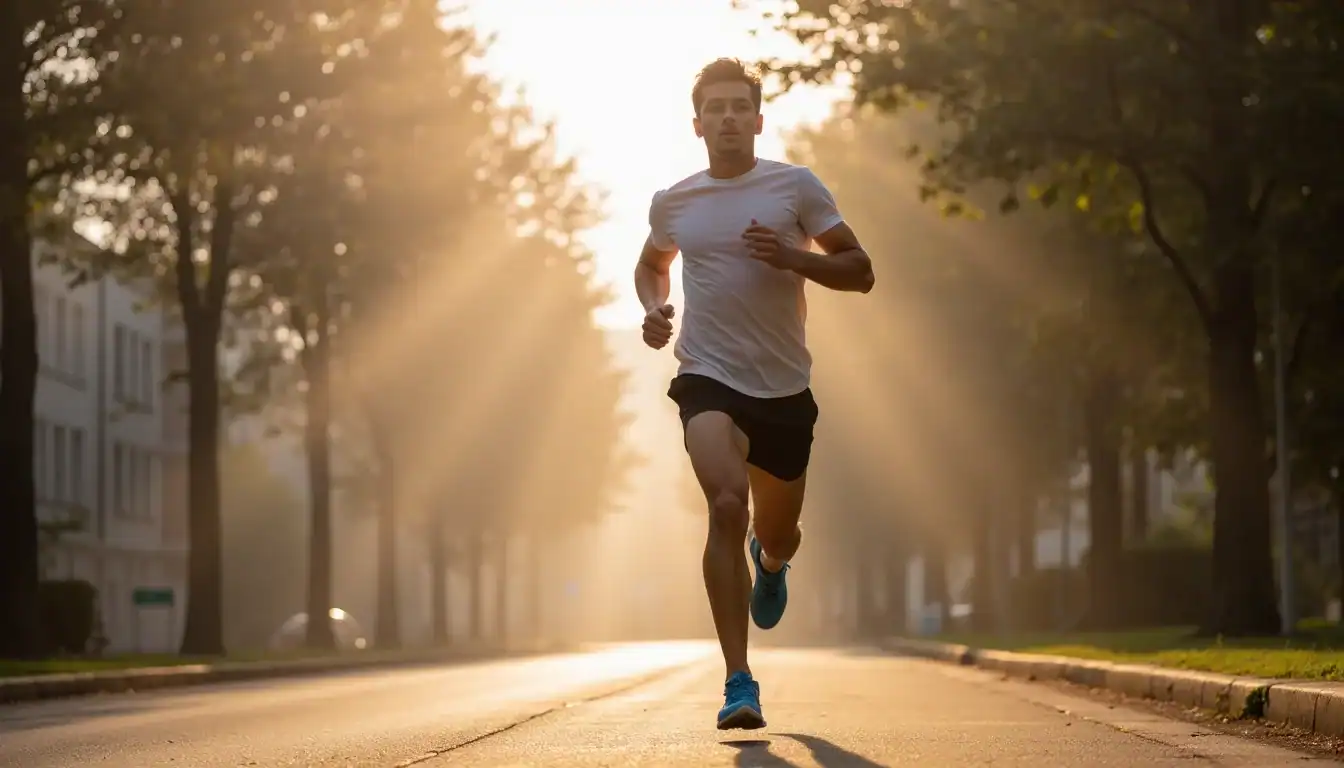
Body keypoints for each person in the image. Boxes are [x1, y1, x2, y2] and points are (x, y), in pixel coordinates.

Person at [634, 57, 876, 730]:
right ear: (698, 123)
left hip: (783, 392)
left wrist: (794, 257)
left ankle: (770, 563)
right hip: (707, 377)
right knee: (723, 503)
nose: (729, 117)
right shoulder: (675, 201)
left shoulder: (795, 188)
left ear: (759, 120)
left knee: (779, 531)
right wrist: (655, 310)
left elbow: (860, 271)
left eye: (741, 106)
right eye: (716, 108)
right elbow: (652, 265)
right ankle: (739, 681)